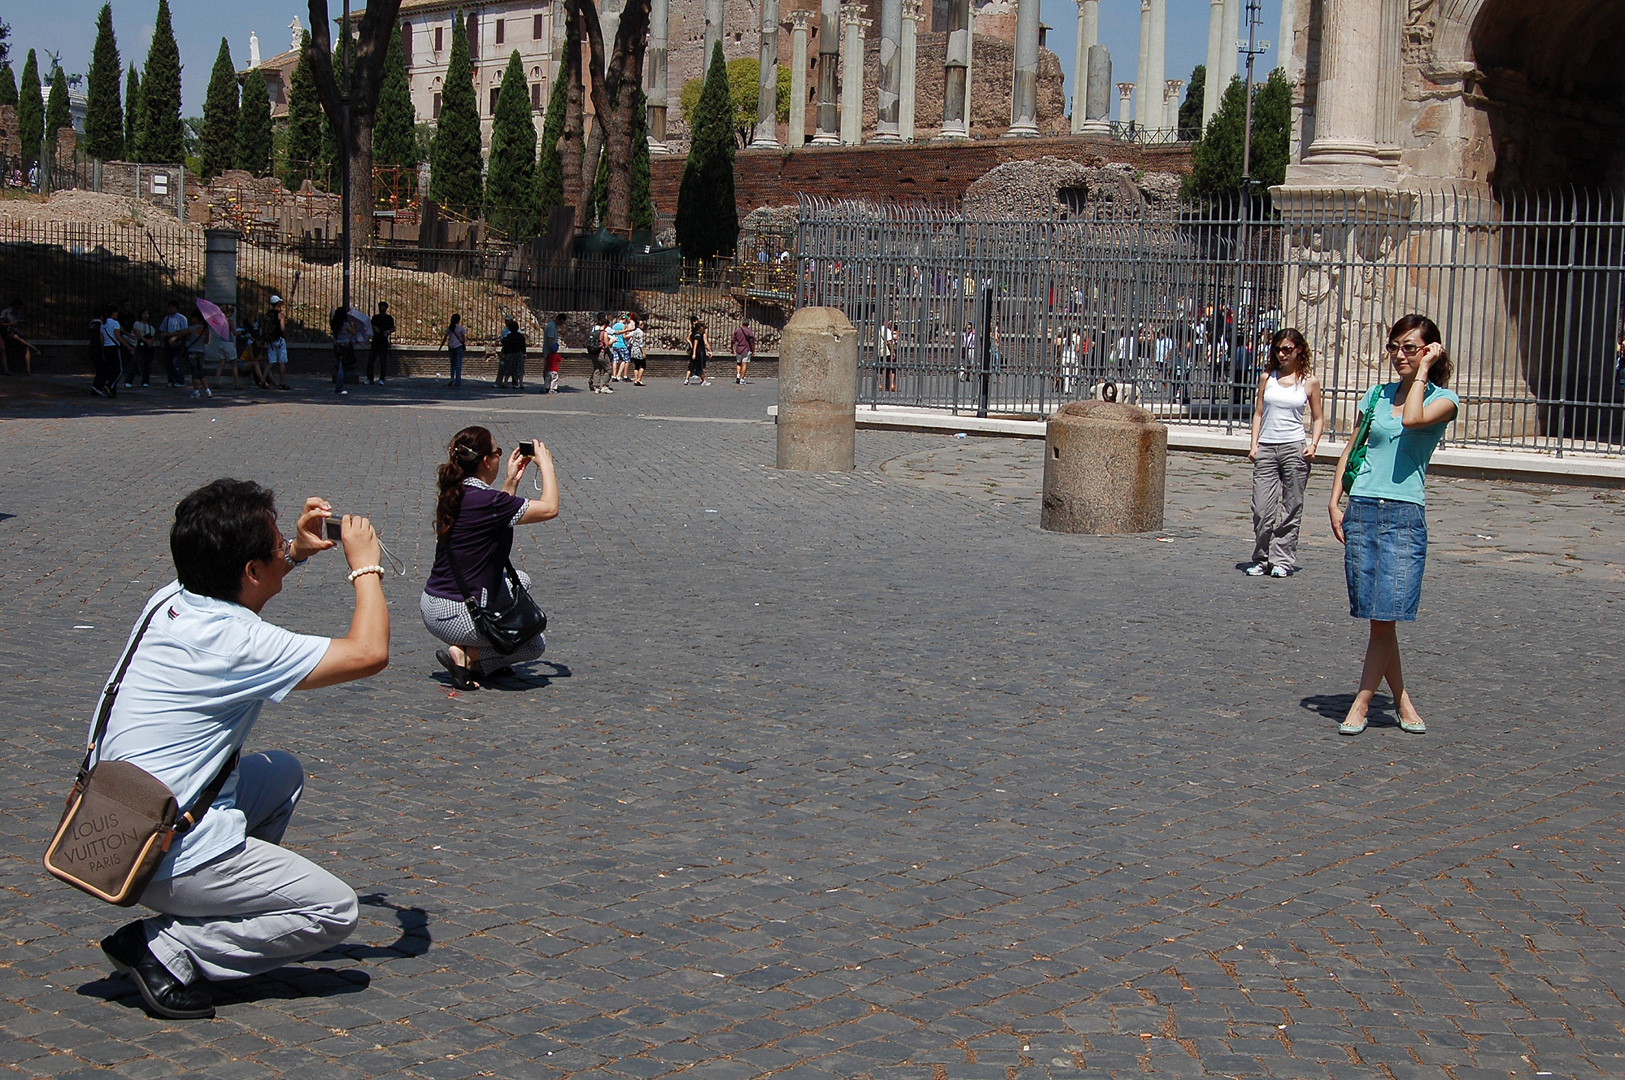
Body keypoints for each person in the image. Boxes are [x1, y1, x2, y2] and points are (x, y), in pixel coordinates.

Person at [90, 478, 389, 1019]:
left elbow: (241, 585)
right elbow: (368, 652)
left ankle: (221, 909)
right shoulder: (237, 642)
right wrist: (364, 565)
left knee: (282, 773)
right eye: (275, 545)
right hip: (164, 851)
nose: (283, 547)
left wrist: (295, 552)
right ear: (250, 571)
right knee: (335, 910)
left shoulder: (173, 599)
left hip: (115, 818)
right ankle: (170, 948)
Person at [1328, 314, 1460, 737]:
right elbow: (1353, 446)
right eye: (1394, 347)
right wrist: (1334, 500)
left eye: (1410, 347)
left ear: (1430, 350)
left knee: (1387, 614)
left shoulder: (1446, 399)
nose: (1399, 355)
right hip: (1364, 507)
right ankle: (1402, 702)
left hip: (1404, 514)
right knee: (1379, 617)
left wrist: (1423, 373)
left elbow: (1411, 420)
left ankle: (1361, 704)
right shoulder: (1375, 395)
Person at [421, 426, 560, 689]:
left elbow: (494, 521)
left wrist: (512, 481)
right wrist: (546, 465)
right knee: (532, 645)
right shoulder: (488, 501)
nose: (499, 456)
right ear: (486, 461)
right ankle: (468, 656)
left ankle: (473, 658)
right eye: (497, 452)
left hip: (432, 605)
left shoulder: (456, 492)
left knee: (522, 581)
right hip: (457, 614)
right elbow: (550, 508)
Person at [1246, 328, 1324, 578]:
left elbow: (1319, 417)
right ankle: (1261, 557)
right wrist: (1254, 444)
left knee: (1292, 505)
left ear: (1299, 350)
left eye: (1287, 349)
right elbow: (1258, 412)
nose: (1282, 354)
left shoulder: (1308, 381)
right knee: (1261, 508)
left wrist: (1314, 444)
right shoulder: (1267, 377)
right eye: (1278, 349)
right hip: (1267, 446)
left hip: (1294, 446)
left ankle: (1282, 559)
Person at [207, 304, 244, 389]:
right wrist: (240, 332)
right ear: (228, 312)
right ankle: (236, 383)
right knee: (234, 363)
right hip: (228, 343)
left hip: (220, 342)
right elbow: (234, 333)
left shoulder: (219, 321)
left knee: (221, 363)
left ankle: (216, 382)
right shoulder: (229, 321)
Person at [0, 299, 38, 375]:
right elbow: (1, 323)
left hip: (16, 330)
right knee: (15, 337)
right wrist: (11, 324)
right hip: (7, 331)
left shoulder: (19, 313)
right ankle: (33, 347)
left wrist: (19, 324)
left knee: (25, 347)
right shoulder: (6, 312)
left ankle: (28, 370)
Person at [261, 295, 291, 390]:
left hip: (271, 340)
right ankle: (282, 383)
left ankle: (262, 380)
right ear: (278, 303)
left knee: (271, 361)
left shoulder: (268, 313)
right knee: (282, 361)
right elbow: (282, 328)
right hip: (279, 339)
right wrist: (284, 323)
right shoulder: (280, 314)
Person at [158, 300, 190, 387]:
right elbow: (162, 330)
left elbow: (184, 331)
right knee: (168, 362)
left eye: (172, 307)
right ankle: (171, 379)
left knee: (176, 362)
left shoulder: (182, 318)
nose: (171, 309)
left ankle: (180, 380)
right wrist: (162, 341)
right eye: (170, 307)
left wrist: (175, 336)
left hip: (178, 342)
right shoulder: (167, 318)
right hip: (168, 342)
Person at [94, 305, 123, 398]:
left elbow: (101, 338)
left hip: (106, 348)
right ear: (114, 313)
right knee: (119, 371)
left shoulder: (103, 324)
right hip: (114, 347)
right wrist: (127, 345)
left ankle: (112, 390)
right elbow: (118, 336)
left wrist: (103, 349)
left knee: (111, 369)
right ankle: (109, 385)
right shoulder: (115, 323)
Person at [329, 306, 357, 395]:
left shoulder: (333, 324)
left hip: (336, 345)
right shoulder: (345, 325)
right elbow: (353, 332)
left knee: (340, 365)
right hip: (344, 346)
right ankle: (339, 387)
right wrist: (352, 324)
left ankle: (339, 386)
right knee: (342, 368)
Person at [367, 300, 395, 384]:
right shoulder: (375, 318)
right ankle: (370, 378)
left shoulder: (389, 318)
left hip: (383, 341)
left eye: (383, 310)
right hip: (375, 341)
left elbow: (393, 328)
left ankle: (382, 378)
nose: (382, 312)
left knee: (383, 361)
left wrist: (388, 331)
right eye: (381, 310)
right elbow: (370, 325)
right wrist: (374, 328)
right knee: (371, 360)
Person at [497, 317, 528, 390]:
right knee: (520, 369)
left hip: (510, 354)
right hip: (519, 354)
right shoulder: (521, 336)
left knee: (509, 368)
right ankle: (521, 384)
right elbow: (523, 346)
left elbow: (506, 346)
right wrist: (524, 353)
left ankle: (505, 383)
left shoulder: (509, 336)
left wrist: (504, 353)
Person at [440, 313, 467, 388]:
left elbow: (445, 338)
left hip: (451, 347)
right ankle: (458, 381)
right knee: (458, 364)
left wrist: (440, 347)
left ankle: (452, 378)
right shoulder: (461, 329)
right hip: (458, 347)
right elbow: (463, 339)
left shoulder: (450, 328)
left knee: (452, 364)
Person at [588, 316, 613, 393]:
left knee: (597, 369)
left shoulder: (595, 332)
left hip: (594, 353)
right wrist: (612, 341)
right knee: (608, 369)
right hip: (602, 353)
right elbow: (607, 344)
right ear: (605, 325)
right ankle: (605, 386)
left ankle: (596, 387)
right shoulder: (604, 333)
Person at [685, 316, 711, 386]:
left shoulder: (694, 333)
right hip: (698, 352)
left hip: (695, 352)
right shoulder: (698, 335)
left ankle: (686, 380)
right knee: (700, 367)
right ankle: (703, 381)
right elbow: (696, 345)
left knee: (691, 366)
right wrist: (694, 353)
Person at [732, 318, 756, 385]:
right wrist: (753, 351)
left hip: (739, 349)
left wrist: (731, 349)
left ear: (742, 323)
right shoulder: (749, 332)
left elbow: (733, 340)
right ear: (748, 324)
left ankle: (738, 375)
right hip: (746, 349)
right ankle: (742, 379)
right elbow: (752, 343)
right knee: (744, 363)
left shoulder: (737, 331)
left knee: (738, 363)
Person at [608, 313, 630, 383]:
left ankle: (614, 375)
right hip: (622, 344)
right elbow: (624, 336)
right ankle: (624, 375)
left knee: (615, 360)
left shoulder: (614, 325)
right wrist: (630, 335)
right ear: (625, 320)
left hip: (615, 344)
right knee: (626, 360)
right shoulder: (623, 326)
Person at [626, 314, 646, 386]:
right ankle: (639, 379)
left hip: (633, 349)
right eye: (641, 324)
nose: (642, 325)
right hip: (639, 350)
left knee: (636, 366)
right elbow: (641, 344)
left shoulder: (634, 331)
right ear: (638, 325)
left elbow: (626, 336)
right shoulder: (641, 333)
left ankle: (635, 379)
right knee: (643, 365)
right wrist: (643, 352)